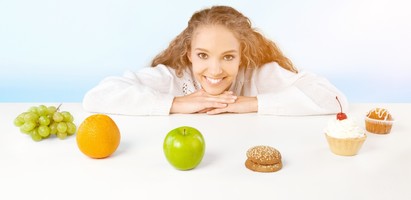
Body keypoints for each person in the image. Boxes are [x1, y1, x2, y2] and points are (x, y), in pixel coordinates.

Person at [82, 5, 348, 116]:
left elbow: (333, 98)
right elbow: (97, 97)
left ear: (242, 56)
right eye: (202, 56)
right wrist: (175, 103)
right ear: (189, 55)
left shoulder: (256, 76)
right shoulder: (174, 78)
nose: (215, 70)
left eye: (229, 57)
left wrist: (253, 103)